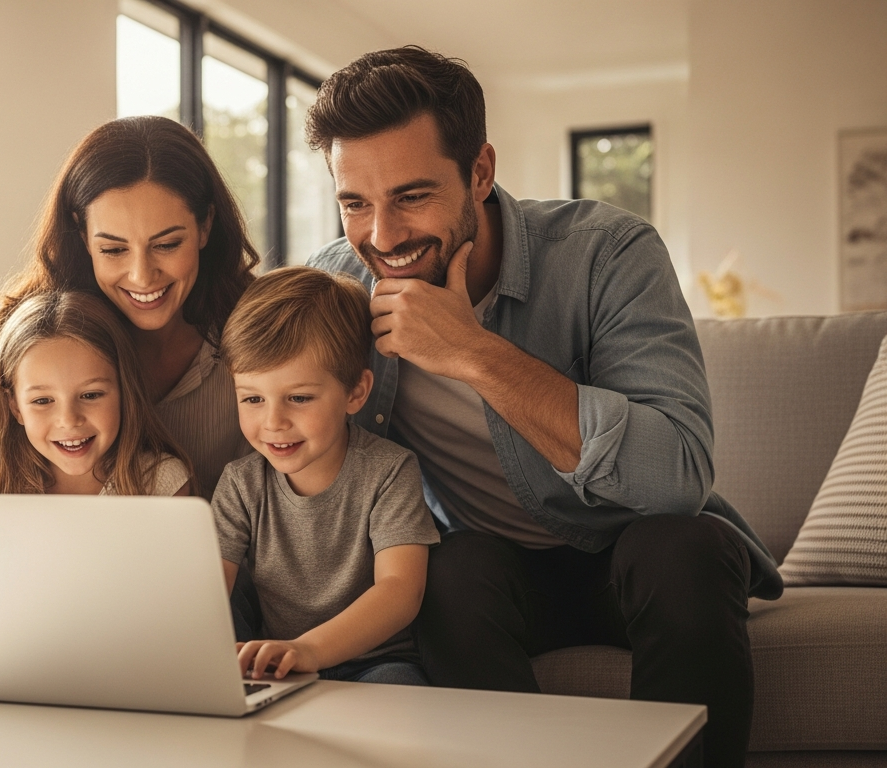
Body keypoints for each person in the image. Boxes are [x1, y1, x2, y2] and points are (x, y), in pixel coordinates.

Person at [304, 46, 781, 767]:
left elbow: (678, 475)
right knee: (444, 570)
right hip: (494, 576)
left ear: (481, 172)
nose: (382, 236)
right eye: (354, 203)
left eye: (411, 196)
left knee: (686, 546)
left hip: (637, 557)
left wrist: (474, 353)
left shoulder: (608, 254)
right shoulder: (336, 289)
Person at [0, 116, 257, 500]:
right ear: (82, 235)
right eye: (113, 250)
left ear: (205, 226)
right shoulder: (36, 334)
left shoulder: (250, 334)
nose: (142, 276)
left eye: (166, 245)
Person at [211, 266, 438, 686]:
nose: (273, 422)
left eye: (298, 398)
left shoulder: (389, 471)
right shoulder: (240, 483)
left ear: (356, 393)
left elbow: (401, 592)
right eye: (253, 399)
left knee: (401, 696)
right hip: (276, 665)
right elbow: (207, 593)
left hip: (375, 663)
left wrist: (309, 650)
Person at [0, 290, 191, 497]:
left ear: (124, 392)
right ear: (15, 408)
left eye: (90, 395)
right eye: (42, 401)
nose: (68, 419)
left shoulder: (161, 481)